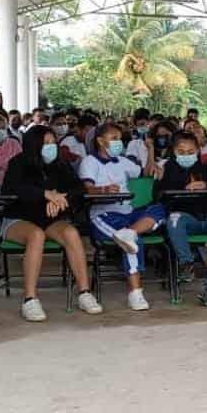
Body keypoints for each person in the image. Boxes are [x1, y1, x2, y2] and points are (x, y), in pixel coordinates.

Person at [0, 125, 100, 321]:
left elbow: (79, 190)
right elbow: (12, 190)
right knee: (36, 235)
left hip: (50, 219)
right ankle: (30, 299)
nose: (51, 147)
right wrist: (44, 195)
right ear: (34, 145)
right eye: (46, 144)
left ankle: (84, 293)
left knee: (71, 233)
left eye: (53, 143)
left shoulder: (61, 165)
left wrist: (61, 200)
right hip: (19, 219)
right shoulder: (18, 164)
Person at [81, 123, 161, 311]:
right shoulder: (90, 162)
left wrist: (150, 150)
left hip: (129, 213)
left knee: (160, 209)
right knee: (132, 243)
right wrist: (104, 190)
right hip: (104, 216)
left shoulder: (122, 161)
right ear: (100, 141)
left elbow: (147, 172)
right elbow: (88, 188)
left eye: (120, 138)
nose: (119, 142)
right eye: (114, 138)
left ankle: (130, 232)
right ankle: (136, 293)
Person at [159, 131, 207, 306]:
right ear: (174, 151)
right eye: (182, 152)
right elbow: (159, 195)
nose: (187, 156)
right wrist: (183, 187)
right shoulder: (167, 168)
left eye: (191, 152)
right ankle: (187, 263)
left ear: (198, 150)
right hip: (186, 219)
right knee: (174, 219)